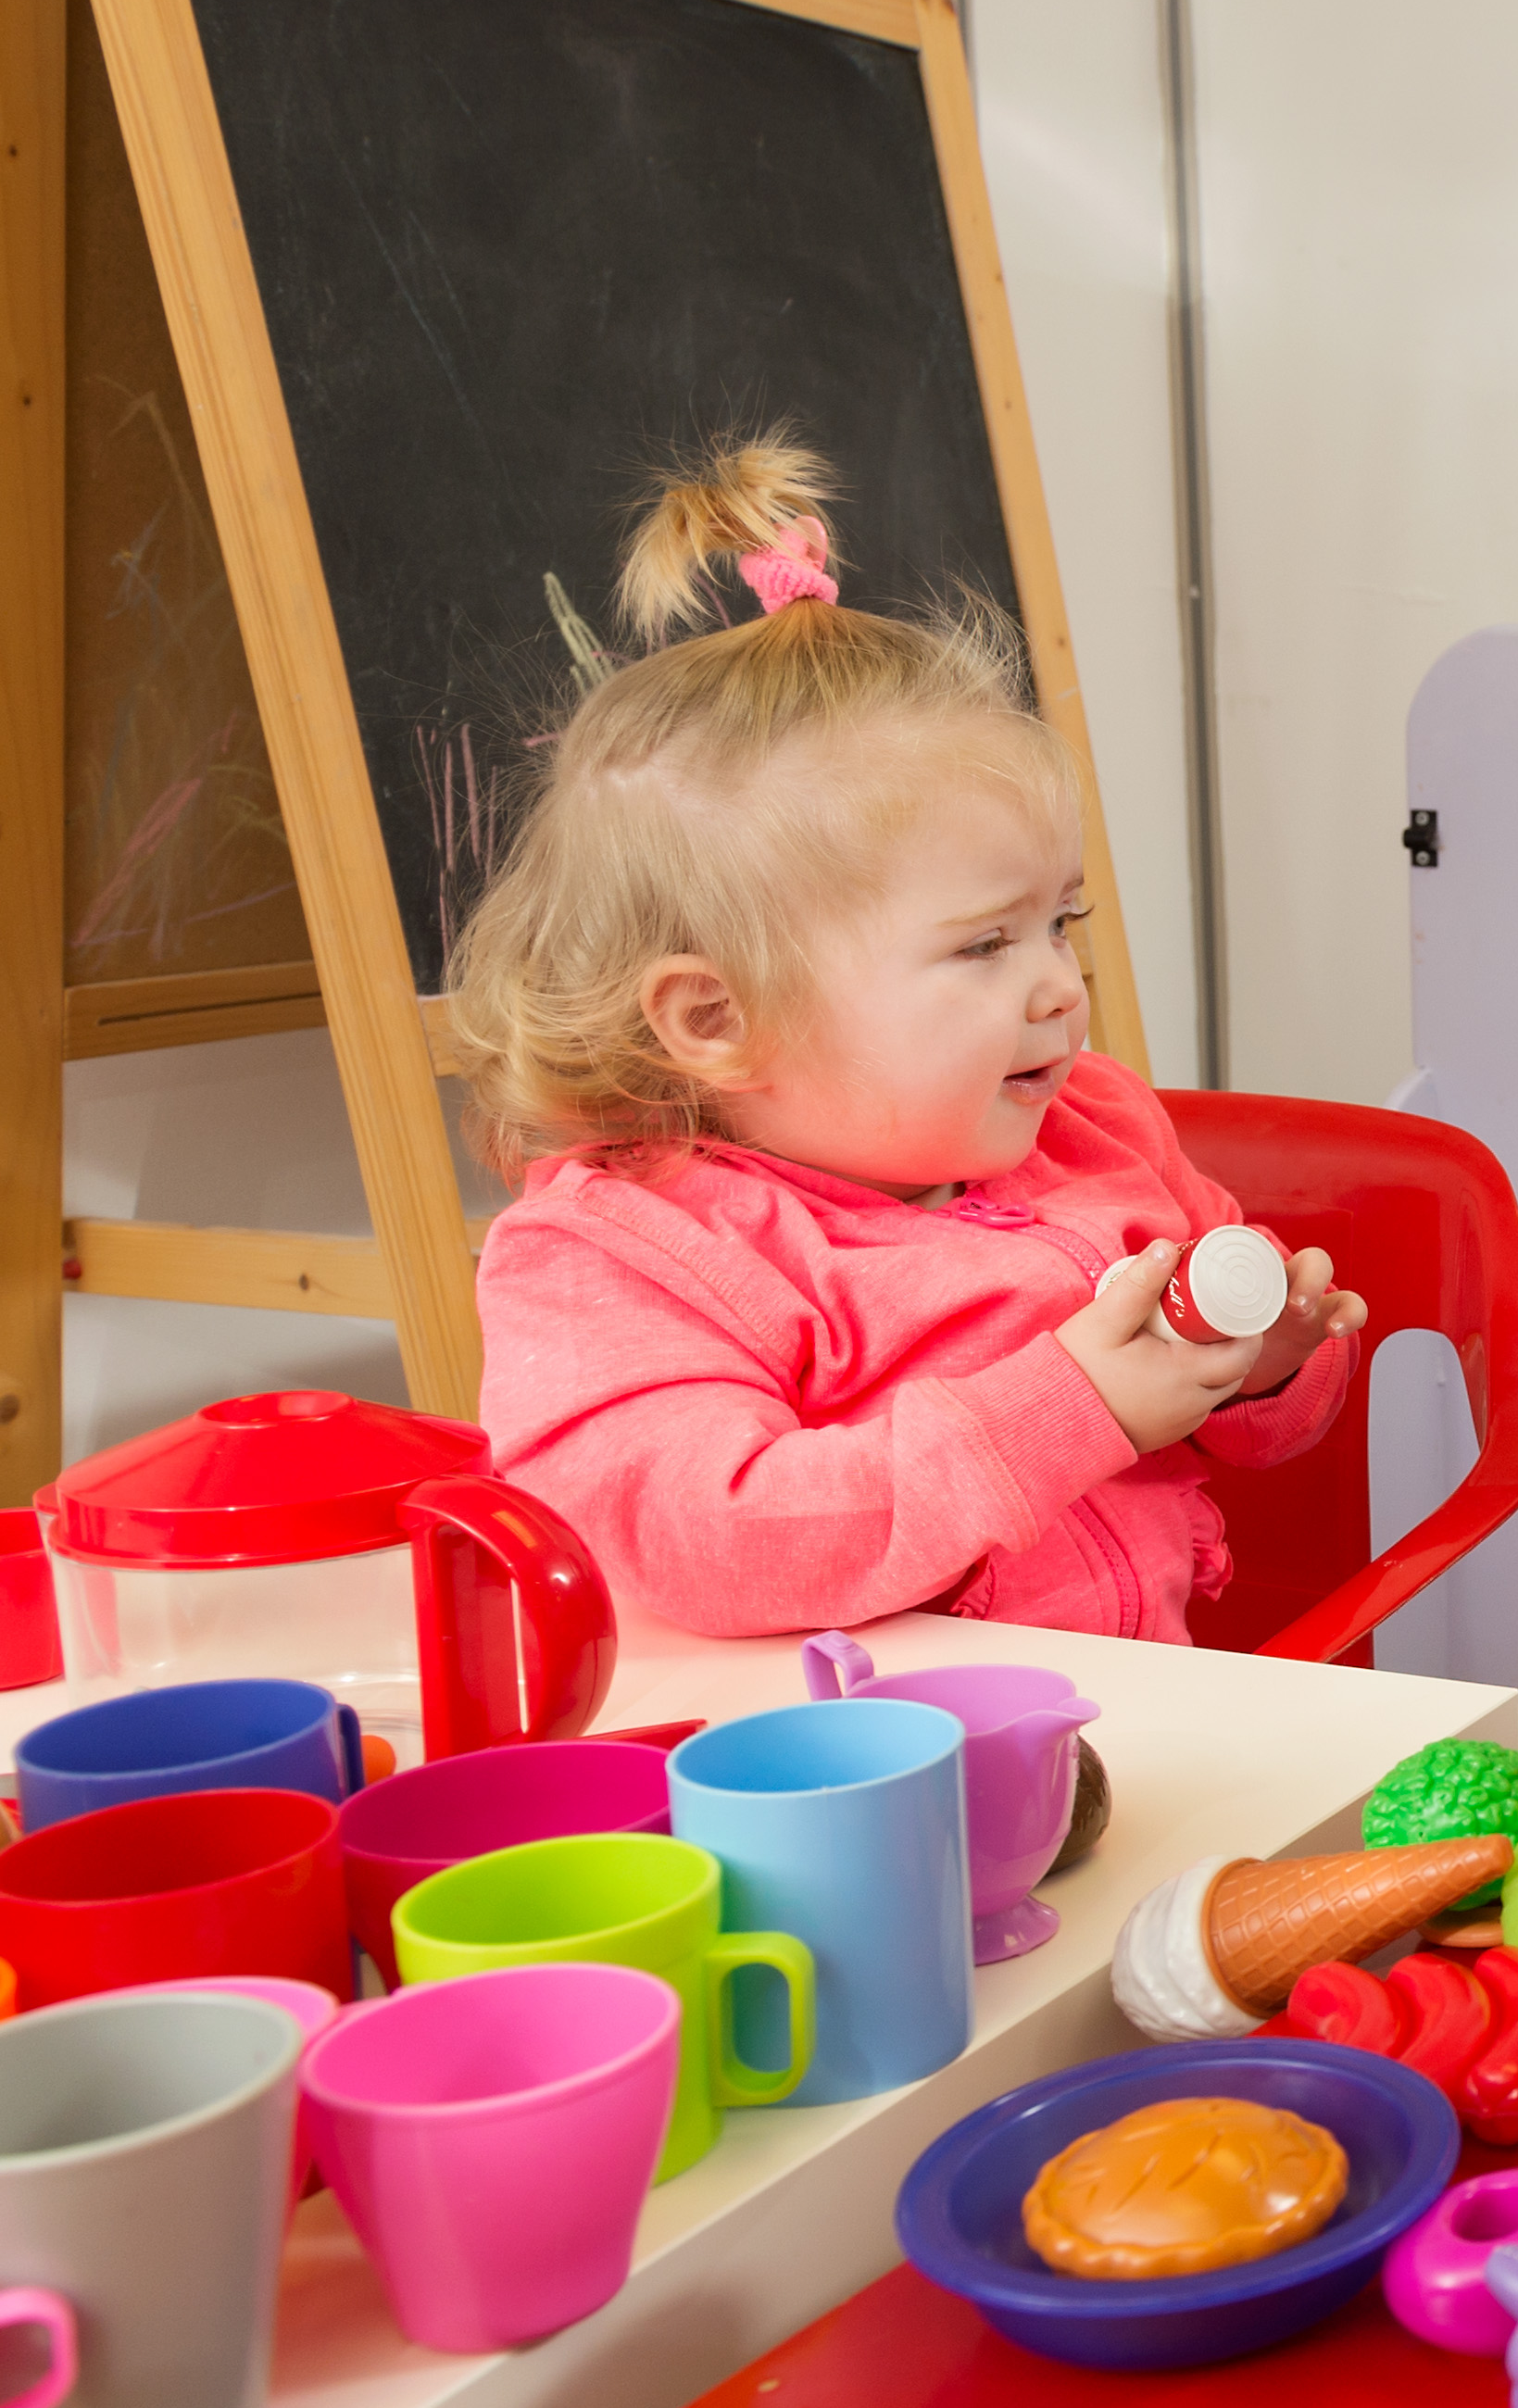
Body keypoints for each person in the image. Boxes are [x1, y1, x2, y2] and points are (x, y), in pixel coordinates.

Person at [453, 437, 1366, 1640]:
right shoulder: (619, 1261)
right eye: (985, 947)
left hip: (1128, 1733)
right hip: (843, 1788)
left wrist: (1261, 1365)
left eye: (1062, 925)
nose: (1058, 988)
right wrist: (1066, 1405)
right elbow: (710, 1546)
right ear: (717, 1019)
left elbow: (1236, 1426)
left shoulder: (1092, 1131)